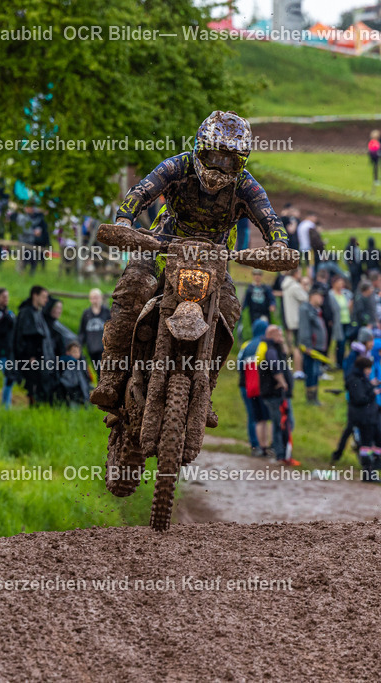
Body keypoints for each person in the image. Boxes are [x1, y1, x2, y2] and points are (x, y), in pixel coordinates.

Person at [89, 111, 290, 413]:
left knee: (229, 309)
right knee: (133, 287)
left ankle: (204, 388)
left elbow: (269, 217)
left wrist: (279, 245)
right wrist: (124, 221)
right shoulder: (178, 166)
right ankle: (112, 375)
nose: (219, 167)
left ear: (241, 163)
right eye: (213, 156)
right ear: (199, 148)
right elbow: (142, 190)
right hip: (163, 245)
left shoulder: (247, 186)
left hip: (214, 258)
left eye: (229, 161)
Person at [259, 325, 296, 464]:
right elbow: (275, 367)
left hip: (278, 394)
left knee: (284, 423)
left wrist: (282, 343)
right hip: (274, 394)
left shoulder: (276, 347)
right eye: (279, 334)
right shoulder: (270, 350)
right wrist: (282, 382)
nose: (282, 337)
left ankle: (280, 450)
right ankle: (279, 453)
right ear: (272, 335)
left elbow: (286, 354)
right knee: (281, 423)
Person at [343, 355, 381, 481]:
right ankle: (368, 472)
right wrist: (373, 393)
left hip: (371, 415)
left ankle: (375, 466)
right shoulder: (355, 380)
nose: (370, 371)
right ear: (362, 368)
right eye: (368, 368)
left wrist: (378, 407)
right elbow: (360, 399)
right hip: (363, 418)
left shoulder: (363, 379)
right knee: (366, 445)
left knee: (379, 440)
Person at [14, 285, 55, 404]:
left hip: (42, 356)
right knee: (33, 385)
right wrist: (31, 356)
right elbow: (29, 337)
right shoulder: (27, 313)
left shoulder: (38, 312)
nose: (46, 300)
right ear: (35, 296)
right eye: (44, 297)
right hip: (31, 358)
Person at [238, 319, 271, 457]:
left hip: (244, 385)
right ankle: (263, 446)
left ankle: (254, 445)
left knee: (252, 416)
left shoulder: (245, 345)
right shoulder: (264, 344)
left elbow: (239, 365)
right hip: (258, 387)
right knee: (261, 417)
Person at [298, 288, 328, 406]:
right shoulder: (305, 309)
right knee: (311, 372)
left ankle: (315, 398)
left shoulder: (315, 309)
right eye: (320, 296)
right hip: (311, 348)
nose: (322, 299)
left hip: (317, 347)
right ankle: (310, 399)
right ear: (313, 296)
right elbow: (305, 329)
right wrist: (307, 346)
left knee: (316, 372)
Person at [281, 272, 308, 379]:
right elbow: (305, 298)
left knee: (294, 345)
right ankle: (299, 370)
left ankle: (296, 369)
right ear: (296, 273)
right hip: (298, 320)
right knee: (298, 347)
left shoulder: (285, 285)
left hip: (290, 320)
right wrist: (304, 288)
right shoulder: (295, 286)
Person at [78, 288, 111, 375]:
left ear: (101, 298)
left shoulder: (107, 312)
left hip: (104, 349)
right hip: (92, 348)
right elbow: (82, 331)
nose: (95, 300)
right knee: (97, 371)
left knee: (104, 371)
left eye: (96, 297)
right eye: (93, 297)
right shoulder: (86, 314)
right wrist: (79, 345)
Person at [57, 341, 92, 407]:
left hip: (82, 392)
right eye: (74, 352)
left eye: (78, 351)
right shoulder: (67, 364)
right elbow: (68, 381)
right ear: (68, 352)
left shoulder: (81, 363)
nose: (77, 354)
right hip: (73, 393)